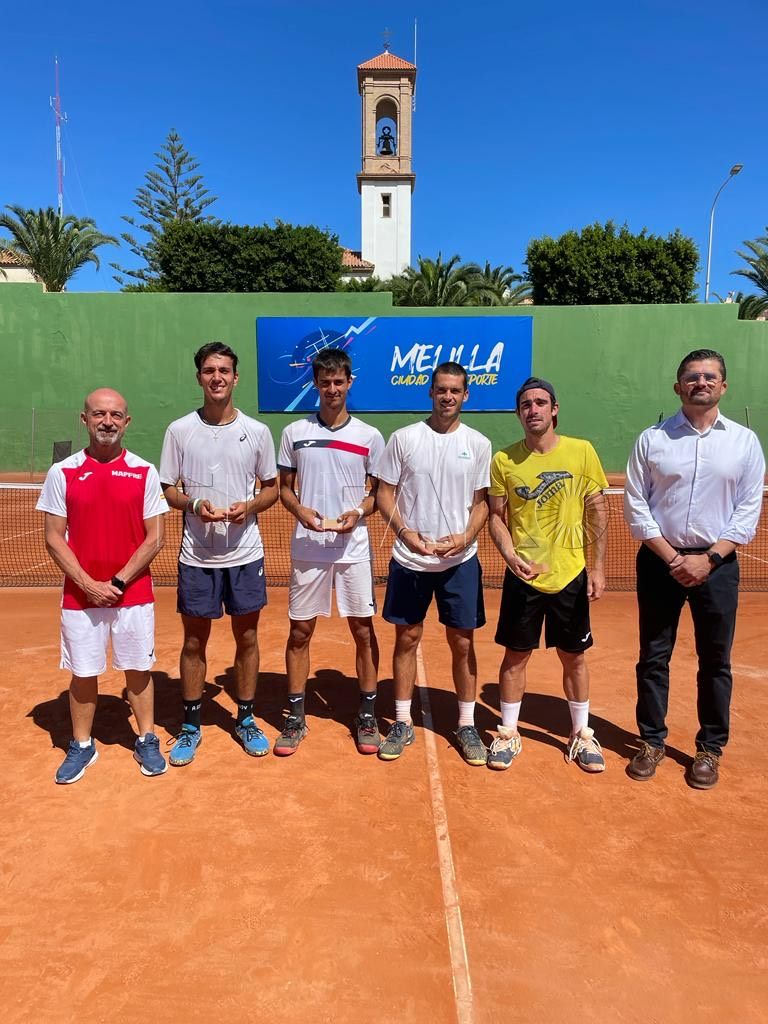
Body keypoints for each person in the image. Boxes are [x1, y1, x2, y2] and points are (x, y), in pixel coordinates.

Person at [624, 349, 765, 789]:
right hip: (659, 562)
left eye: (709, 376)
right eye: (691, 377)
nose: (700, 382)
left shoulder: (744, 442)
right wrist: (673, 558)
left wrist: (710, 559)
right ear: (677, 386)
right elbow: (636, 504)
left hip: (718, 566)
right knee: (653, 657)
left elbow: (747, 510)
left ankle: (709, 749)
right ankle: (651, 742)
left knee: (716, 662)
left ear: (723, 386)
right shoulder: (652, 439)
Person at [36, 388, 167, 784]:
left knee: (138, 670)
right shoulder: (63, 472)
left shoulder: (145, 471)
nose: (107, 421)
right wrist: (88, 584)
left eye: (115, 415)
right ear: (85, 419)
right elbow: (54, 537)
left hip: (134, 595)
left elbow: (155, 537)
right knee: (82, 672)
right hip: (80, 597)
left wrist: (117, 581)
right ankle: (81, 745)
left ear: (127, 422)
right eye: (99, 414)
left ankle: (146, 737)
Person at [159, 342, 278, 765]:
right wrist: (193, 505)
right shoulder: (179, 431)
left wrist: (248, 507)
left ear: (235, 377)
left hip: (245, 555)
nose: (217, 377)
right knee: (195, 640)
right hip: (197, 557)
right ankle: (191, 726)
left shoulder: (258, 432)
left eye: (224, 370)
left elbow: (272, 488)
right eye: (209, 370)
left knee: (247, 637)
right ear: (199, 378)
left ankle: (245, 718)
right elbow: (168, 488)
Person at [487, 376, 608, 773]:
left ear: (554, 409)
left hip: (570, 574)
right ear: (518, 412)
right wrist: (508, 555)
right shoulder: (504, 460)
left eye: (541, 402)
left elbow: (597, 511)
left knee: (574, 657)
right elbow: (496, 518)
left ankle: (581, 735)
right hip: (524, 576)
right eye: (526, 404)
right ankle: (507, 734)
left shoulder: (581, 452)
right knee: (515, 655)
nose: (533, 409)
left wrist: (598, 567)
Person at [375, 362, 491, 765]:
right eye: (441, 390)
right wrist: (408, 535)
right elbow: (384, 495)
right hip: (410, 559)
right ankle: (402, 721)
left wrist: (462, 538)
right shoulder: (404, 439)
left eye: (455, 391)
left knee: (462, 642)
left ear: (466, 395)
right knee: (406, 639)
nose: (447, 397)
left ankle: (466, 723)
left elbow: (482, 506)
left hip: (460, 561)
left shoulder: (478, 444)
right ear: (430, 392)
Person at [276, 349, 385, 755]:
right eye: (325, 382)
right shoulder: (293, 433)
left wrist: (357, 513)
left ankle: (368, 714)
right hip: (308, 548)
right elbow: (285, 489)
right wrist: (300, 509)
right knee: (300, 631)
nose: (333, 389)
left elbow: (378, 496)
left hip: (353, 548)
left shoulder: (370, 436)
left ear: (349, 382)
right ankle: (295, 716)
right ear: (316, 384)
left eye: (339, 381)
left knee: (362, 630)